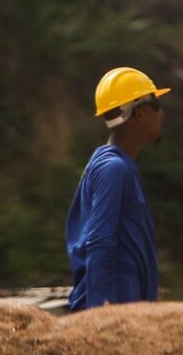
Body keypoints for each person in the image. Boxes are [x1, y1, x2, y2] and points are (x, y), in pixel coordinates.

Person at [67, 67, 165, 310]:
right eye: (156, 105)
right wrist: (103, 316)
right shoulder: (114, 169)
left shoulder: (119, 166)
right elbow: (100, 241)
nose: (162, 114)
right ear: (139, 113)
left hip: (125, 308)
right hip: (113, 311)